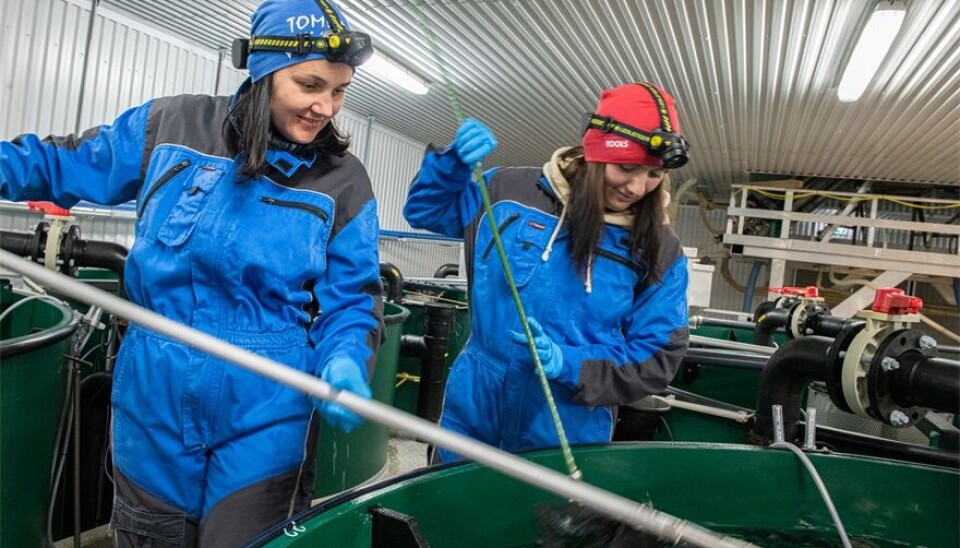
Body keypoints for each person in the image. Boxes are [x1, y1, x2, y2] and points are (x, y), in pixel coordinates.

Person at [0, 0, 383, 545]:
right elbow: (59, 162)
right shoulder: (170, 126)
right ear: (264, 71)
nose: (326, 107)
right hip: (155, 384)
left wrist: (346, 357)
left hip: (269, 395)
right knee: (150, 534)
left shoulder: (343, 181)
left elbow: (354, 299)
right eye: (310, 85)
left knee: (247, 538)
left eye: (340, 91)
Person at [404, 82, 691, 463]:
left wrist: (569, 363)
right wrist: (451, 167)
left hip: (568, 427)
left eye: (655, 174)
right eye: (626, 167)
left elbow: (657, 359)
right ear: (595, 153)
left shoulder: (659, 250)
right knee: (451, 499)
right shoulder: (507, 192)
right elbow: (426, 212)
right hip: (473, 410)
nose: (638, 187)